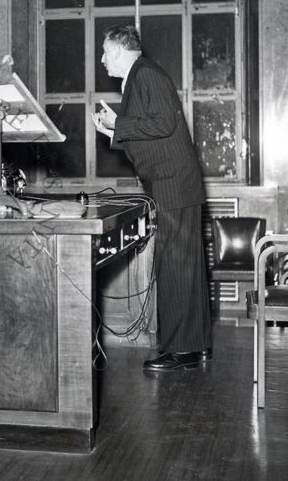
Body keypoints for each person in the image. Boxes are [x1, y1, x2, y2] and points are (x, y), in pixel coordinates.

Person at [92, 24, 211, 372]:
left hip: (174, 185)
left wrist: (120, 124)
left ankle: (181, 351)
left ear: (118, 49)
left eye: (104, 52)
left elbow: (162, 125)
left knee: (175, 266)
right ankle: (193, 345)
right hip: (174, 184)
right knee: (182, 266)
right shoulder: (142, 76)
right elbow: (152, 130)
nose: (101, 60)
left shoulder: (145, 74)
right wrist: (116, 128)